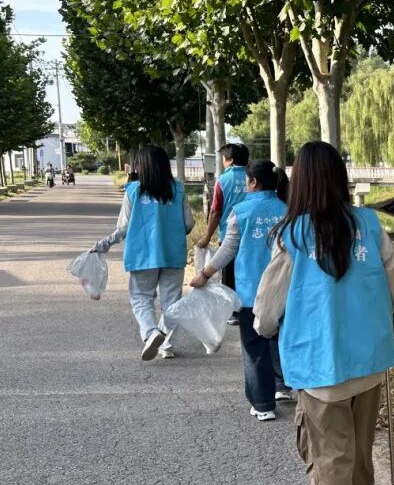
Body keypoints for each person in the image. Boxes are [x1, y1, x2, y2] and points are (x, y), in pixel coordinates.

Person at [254, 141, 394, 485]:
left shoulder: (293, 235)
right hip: (369, 361)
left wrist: (264, 328)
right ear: (340, 178)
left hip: (320, 367)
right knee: (358, 447)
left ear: (299, 182)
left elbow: (267, 308)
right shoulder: (370, 225)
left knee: (330, 457)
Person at [190, 161, 291, 421]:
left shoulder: (241, 211)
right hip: (284, 291)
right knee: (279, 341)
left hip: (251, 292)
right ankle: (283, 386)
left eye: (247, 181)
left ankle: (263, 405)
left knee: (255, 347)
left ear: (254, 182)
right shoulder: (288, 210)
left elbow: (228, 250)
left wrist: (204, 274)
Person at [92, 144, 195, 361]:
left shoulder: (133, 191)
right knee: (172, 302)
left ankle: (150, 332)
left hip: (142, 254)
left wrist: (104, 244)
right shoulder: (178, 189)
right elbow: (188, 224)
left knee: (141, 298)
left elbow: (123, 228)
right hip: (173, 253)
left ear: (142, 166)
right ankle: (167, 346)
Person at [196, 143, 249, 322]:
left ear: (230, 160)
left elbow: (215, 211)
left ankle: (233, 312)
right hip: (252, 233)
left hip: (229, 234)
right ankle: (249, 308)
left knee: (230, 273)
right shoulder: (253, 177)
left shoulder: (223, 180)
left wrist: (207, 237)